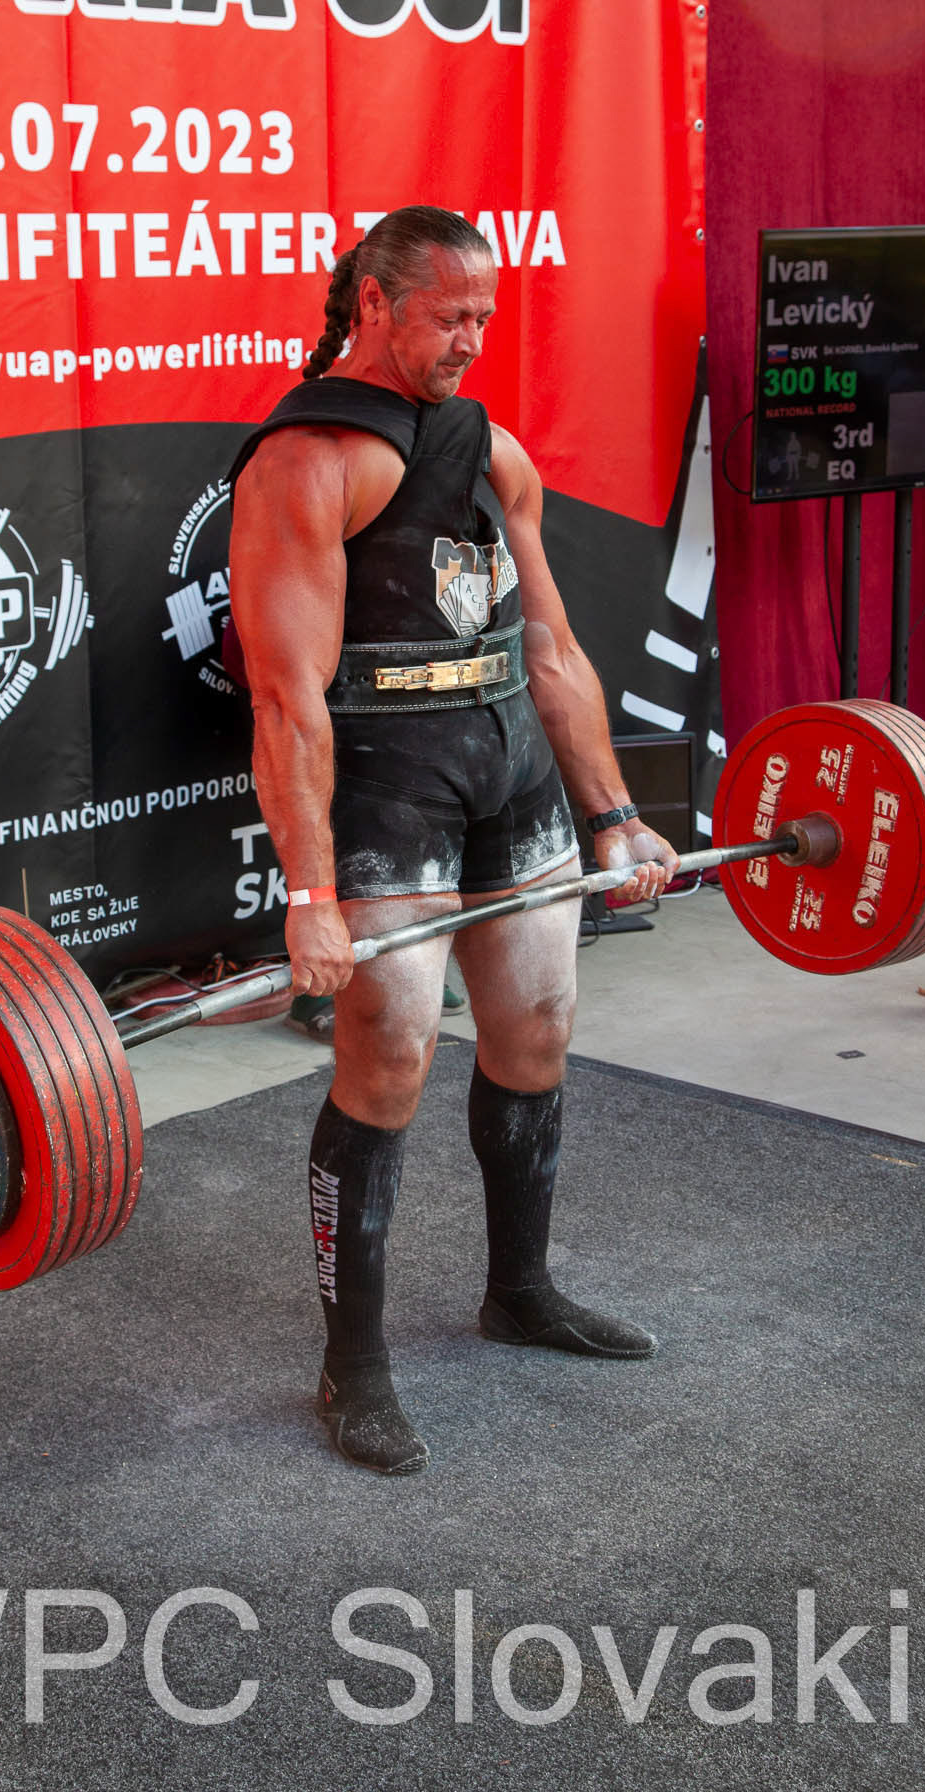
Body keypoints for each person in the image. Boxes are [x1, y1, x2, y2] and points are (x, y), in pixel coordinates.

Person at [228, 206, 679, 1476]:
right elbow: (286, 699)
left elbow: (551, 646)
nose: (472, 340)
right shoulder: (309, 459)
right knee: (391, 1055)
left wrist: (612, 812)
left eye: (485, 316)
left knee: (538, 1028)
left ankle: (519, 1290)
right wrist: (311, 891)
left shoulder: (494, 449)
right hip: (388, 791)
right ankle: (353, 1363)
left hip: (509, 769)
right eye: (449, 317)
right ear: (374, 304)